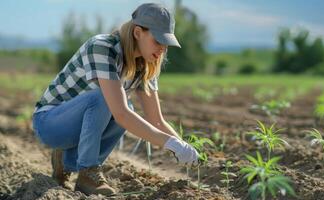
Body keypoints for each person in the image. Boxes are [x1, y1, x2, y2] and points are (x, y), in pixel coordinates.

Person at [31, 3, 199, 196]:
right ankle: (88, 173)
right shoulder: (102, 47)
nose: (162, 49)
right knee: (113, 103)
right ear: (138, 32)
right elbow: (120, 114)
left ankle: (66, 160)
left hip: (75, 127)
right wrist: (172, 144)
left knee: (124, 106)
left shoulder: (146, 63)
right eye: (158, 41)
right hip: (49, 122)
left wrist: (184, 148)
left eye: (166, 43)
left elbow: (157, 121)